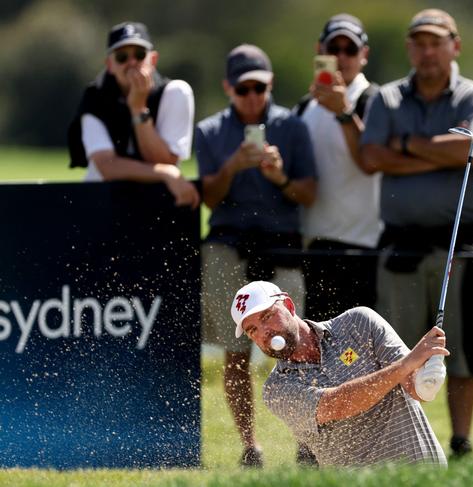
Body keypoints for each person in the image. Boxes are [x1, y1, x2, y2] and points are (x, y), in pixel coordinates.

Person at [360, 9, 473, 457]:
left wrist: (405, 146)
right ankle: (399, 445)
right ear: (409, 48)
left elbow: (471, 148)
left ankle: (460, 441)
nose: (427, 50)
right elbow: (371, 157)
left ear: (454, 45)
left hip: (458, 243)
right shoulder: (386, 98)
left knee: (458, 348)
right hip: (402, 243)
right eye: (419, 42)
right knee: (393, 354)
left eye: (436, 41)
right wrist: (439, 152)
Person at [195, 44, 317, 467]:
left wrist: (280, 177)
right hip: (229, 247)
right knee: (236, 351)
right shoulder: (210, 132)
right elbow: (207, 198)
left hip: (282, 246)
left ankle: (307, 442)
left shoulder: (294, 127)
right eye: (244, 88)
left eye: (259, 88)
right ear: (229, 87)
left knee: (299, 347)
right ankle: (250, 446)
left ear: (270, 85)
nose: (252, 97)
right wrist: (232, 167)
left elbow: (310, 193)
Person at [230, 280, 449, 467]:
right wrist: (407, 363)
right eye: (253, 330)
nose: (264, 333)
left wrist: (430, 371)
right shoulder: (276, 389)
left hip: (424, 473)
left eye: (267, 316)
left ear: (289, 305)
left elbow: (416, 389)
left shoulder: (359, 323)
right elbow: (338, 404)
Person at [298, 13, 382, 320]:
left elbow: (370, 162)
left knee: (358, 354)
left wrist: (344, 111)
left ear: (364, 55)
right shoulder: (306, 106)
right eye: (335, 48)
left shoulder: (374, 99)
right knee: (317, 350)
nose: (342, 57)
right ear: (320, 50)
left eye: (351, 49)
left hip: (361, 246)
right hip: (313, 245)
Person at [68, 21, 199, 208]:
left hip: (158, 204)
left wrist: (138, 109)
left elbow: (164, 159)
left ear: (152, 60)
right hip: (103, 203)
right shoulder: (95, 97)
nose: (132, 63)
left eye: (139, 55)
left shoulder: (175, 92)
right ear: (110, 65)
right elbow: (106, 165)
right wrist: (164, 172)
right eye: (122, 57)